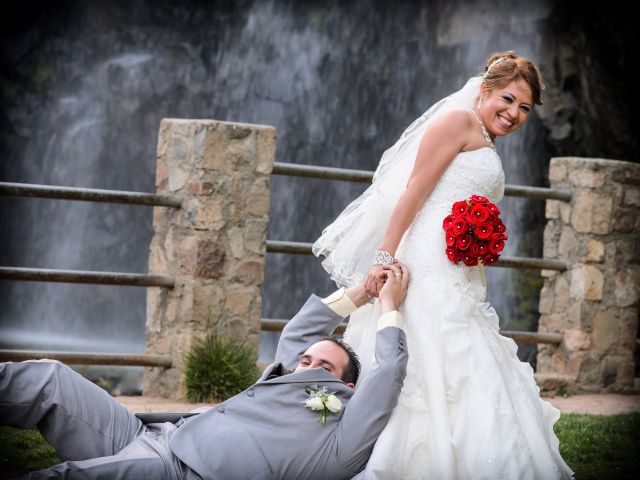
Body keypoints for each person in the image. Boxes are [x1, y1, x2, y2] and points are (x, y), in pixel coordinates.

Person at [313, 50, 575, 479]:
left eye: (524, 108)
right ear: (485, 89)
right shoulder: (457, 122)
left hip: (456, 270)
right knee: (423, 353)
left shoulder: (485, 137)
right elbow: (413, 192)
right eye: (507, 100)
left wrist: (476, 236)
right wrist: (384, 258)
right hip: (422, 268)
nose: (513, 113)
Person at [0, 262, 409, 479]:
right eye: (305, 360)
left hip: (179, 472)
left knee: (65, 477)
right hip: (149, 434)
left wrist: (390, 305)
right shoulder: (283, 374)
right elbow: (301, 330)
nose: (306, 368)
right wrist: (364, 292)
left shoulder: (340, 439)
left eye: (322, 367)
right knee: (48, 377)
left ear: (347, 386)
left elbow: (389, 371)